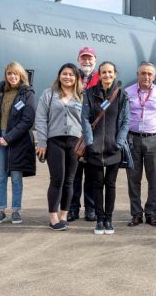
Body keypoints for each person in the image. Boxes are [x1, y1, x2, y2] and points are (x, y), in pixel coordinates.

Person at [0, 61, 37, 225]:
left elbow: (28, 120)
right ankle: (1, 210)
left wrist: (8, 138)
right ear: (6, 75)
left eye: (15, 73)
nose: (12, 76)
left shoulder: (28, 93)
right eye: (9, 74)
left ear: (21, 75)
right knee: (0, 177)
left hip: (17, 140)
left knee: (15, 177)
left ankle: (16, 210)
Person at [81, 61, 129, 235]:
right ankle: (99, 220)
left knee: (111, 184)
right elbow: (85, 118)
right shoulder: (89, 94)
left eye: (110, 72)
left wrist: (119, 142)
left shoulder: (122, 95)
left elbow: (125, 121)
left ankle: (108, 219)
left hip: (113, 147)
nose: (107, 75)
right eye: (103, 72)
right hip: (94, 148)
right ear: (99, 75)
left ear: (114, 74)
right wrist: (89, 142)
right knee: (97, 184)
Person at [34, 63, 83, 231]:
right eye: (64, 73)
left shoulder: (81, 96)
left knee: (70, 180)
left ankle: (64, 215)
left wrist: (86, 144)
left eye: (71, 74)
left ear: (76, 78)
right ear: (59, 75)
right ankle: (53, 217)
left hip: (75, 143)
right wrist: (41, 142)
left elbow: (87, 121)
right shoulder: (49, 94)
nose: (67, 77)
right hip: (54, 141)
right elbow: (40, 118)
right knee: (57, 179)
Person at [125, 62, 156, 227]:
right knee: (133, 179)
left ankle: (151, 213)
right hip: (132, 139)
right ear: (138, 74)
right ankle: (136, 214)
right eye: (143, 73)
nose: (146, 77)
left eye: (150, 74)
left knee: (155, 179)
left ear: (154, 76)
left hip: (155, 139)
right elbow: (123, 115)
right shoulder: (127, 92)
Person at [69, 46, 99, 222]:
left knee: (92, 175)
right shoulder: (71, 77)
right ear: (78, 60)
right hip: (74, 134)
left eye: (89, 58)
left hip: (93, 135)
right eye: (83, 58)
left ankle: (91, 209)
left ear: (95, 60)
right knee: (74, 175)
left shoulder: (99, 78)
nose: (86, 61)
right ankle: (73, 209)